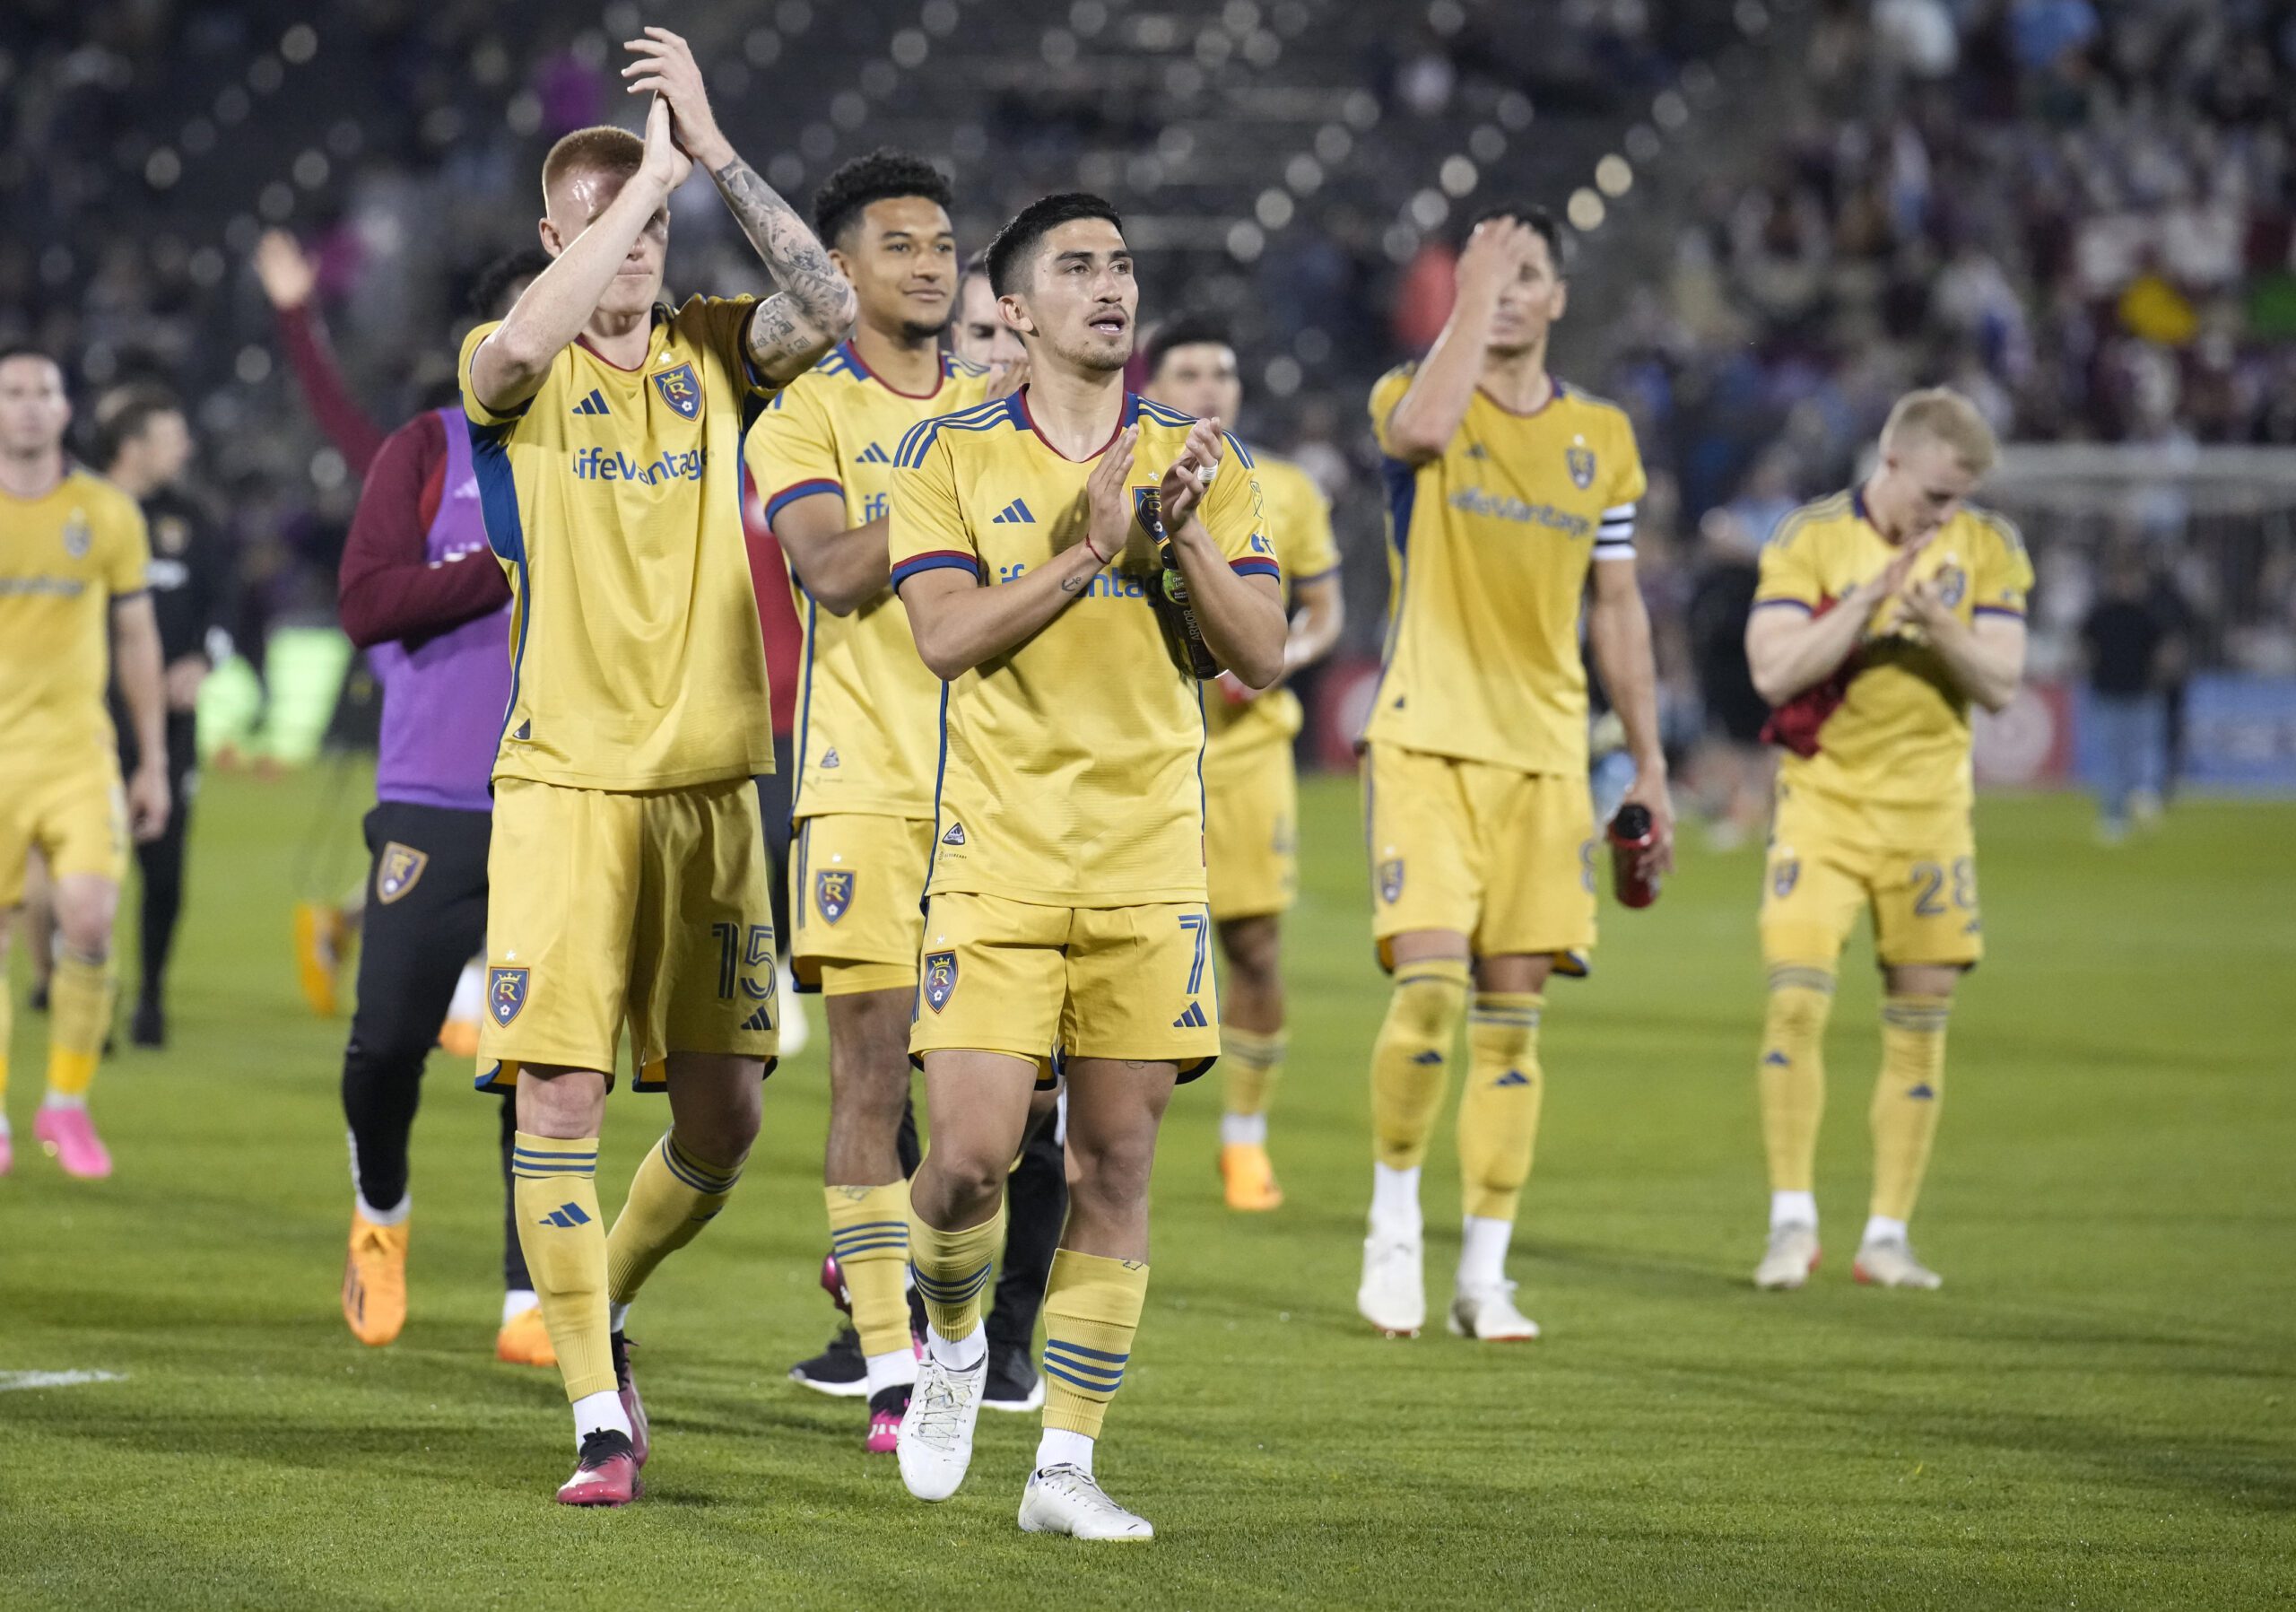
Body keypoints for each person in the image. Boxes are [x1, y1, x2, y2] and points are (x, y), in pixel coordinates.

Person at [457, 27, 853, 1506]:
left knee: (727, 1117)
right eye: (606, 218)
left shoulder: (708, 350)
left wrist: (717, 154)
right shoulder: (517, 364)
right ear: (554, 235)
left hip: (708, 786)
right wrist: (638, 190)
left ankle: (601, 1305)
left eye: (653, 222)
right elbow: (515, 346)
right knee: (557, 1100)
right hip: (563, 783)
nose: (640, 244)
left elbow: (836, 302)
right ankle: (592, 1420)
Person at [887, 192, 1285, 1538]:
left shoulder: (1206, 461)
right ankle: (947, 1340)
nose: (1110, 286)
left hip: (1149, 859)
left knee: (1116, 1165)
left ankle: (1063, 1464)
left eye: (1123, 264)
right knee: (971, 1162)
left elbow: (1265, 650)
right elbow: (946, 638)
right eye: (1077, 267)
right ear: (1013, 306)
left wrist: (1169, 541)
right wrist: (1092, 553)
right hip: (997, 855)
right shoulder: (949, 452)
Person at [1356, 205, 1673, 1341]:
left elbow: (1618, 605)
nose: (1512, 290)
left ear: (1561, 299)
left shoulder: (1604, 438)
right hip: (1427, 736)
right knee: (1432, 990)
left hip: (1546, 757)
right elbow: (1423, 437)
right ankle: (1393, 1224)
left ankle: (1484, 1271)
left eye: (1530, 273)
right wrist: (1470, 296)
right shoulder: (1413, 390)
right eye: (1495, 273)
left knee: (1511, 1024)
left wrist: (1649, 763)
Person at [746, 148, 1001, 1453]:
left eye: (945, 244)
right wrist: (951, 460)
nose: (932, 264)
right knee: (863, 1079)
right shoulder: (802, 417)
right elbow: (839, 573)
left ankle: (957, 1330)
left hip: (1008, 798)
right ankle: (896, 1366)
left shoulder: (1008, 406)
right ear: (838, 271)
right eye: (901, 245)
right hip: (863, 786)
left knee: (992, 1120)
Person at [331, 247, 564, 1368]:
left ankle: (530, 1293)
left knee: (540, 1055)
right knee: (385, 1044)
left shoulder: (615, 462)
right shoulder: (426, 449)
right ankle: (380, 1214)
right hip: (433, 796)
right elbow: (367, 602)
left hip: (566, 791)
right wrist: (505, 564)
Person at [1743, 388, 2031, 1292]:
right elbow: (1770, 668)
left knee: (1918, 1026)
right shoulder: (1811, 539)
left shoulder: (1987, 550)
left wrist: (1936, 621)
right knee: (1795, 1002)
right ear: (1891, 460)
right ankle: (1791, 1223)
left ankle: (1887, 1235)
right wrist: (1868, 603)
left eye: (1957, 499)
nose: (1945, 515)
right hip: (1821, 808)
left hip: (1929, 820)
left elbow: (2002, 684)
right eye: (1935, 495)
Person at [1140, 314, 1344, 1210]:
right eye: (1190, 370)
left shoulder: (1286, 488)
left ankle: (1245, 1140)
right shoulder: (1118, 467)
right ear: (1156, 378)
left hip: (1249, 753)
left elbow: (1327, 613)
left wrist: (1277, 662)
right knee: (1131, 955)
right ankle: (1102, 1135)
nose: (1211, 385)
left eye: (1223, 369)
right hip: (1149, 752)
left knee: (1253, 949)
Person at [0, 348, 171, 1180]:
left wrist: (153, 762)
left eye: (45, 391)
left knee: (92, 920)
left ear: (68, 410)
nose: (30, 406)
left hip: (77, 754)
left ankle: (64, 1103)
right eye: (14, 392)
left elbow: (138, 636)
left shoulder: (106, 511)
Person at [91, 388, 229, 1047]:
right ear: (134, 445)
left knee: (165, 868)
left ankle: (150, 994)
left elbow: (227, 609)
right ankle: (89, 995)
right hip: (84, 723)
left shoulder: (195, 520)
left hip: (167, 728)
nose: (186, 449)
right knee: (88, 873)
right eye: (172, 436)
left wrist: (203, 659)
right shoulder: (80, 511)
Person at [2079, 546, 2173, 842]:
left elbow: (2165, 651)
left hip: (2141, 693)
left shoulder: (2148, 614)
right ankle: (2115, 815)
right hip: (2108, 692)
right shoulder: (2099, 613)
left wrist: (2159, 679)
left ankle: (2143, 795)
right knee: (2112, 758)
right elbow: (2084, 648)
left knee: (2142, 752)